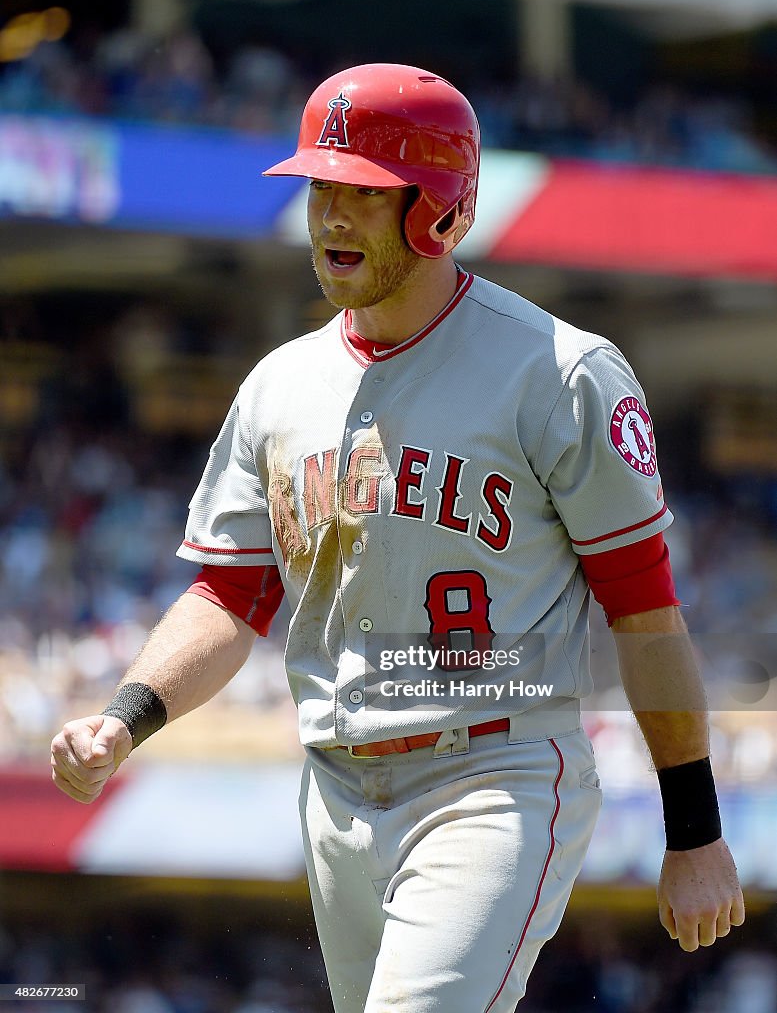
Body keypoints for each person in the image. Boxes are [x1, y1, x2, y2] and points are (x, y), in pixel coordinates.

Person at [51, 63, 744, 1013]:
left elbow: (645, 614)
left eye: (365, 194)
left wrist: (694, 831)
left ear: (440, 210)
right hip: (335, 787)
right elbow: (227, 595)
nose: (332, 216)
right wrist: (126, 716)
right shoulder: (277, 387)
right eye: (321, 188)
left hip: (491, 774)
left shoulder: (560, 373)